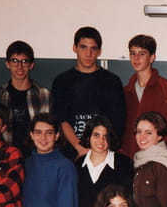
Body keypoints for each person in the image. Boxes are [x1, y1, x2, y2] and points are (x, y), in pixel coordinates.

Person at [51, 26, 126, 159]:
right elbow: (61, 120)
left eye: (93, 48)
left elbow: (117, 123)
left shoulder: (112, 82)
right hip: (71, 154)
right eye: (83, 47)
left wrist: (99, 150)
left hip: (103, 153)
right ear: (75, 48)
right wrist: (80, 148)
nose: (88, 53)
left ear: (99, 51)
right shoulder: (62, 81)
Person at [74, 115, 134, 207]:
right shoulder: (78, 164)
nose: (101, 140)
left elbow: (128, 198)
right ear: (89, 137)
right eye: (96, 135)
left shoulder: (123, 163)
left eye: (105, 136)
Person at [0, 40, 51, 157]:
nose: (19, 66)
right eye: (14, 61)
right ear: (7, 64)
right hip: (4, 158)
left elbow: (51, 129)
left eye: (24, 61)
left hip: (36, 157)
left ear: (31, 65)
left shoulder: (44, 95)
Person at [121, 34, 167, 158]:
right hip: (130, 157)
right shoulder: (126, 91)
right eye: (132, 53)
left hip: (157, 157)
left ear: (152, 57)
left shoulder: (165, 88)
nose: (136, 58)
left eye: (142, 54)